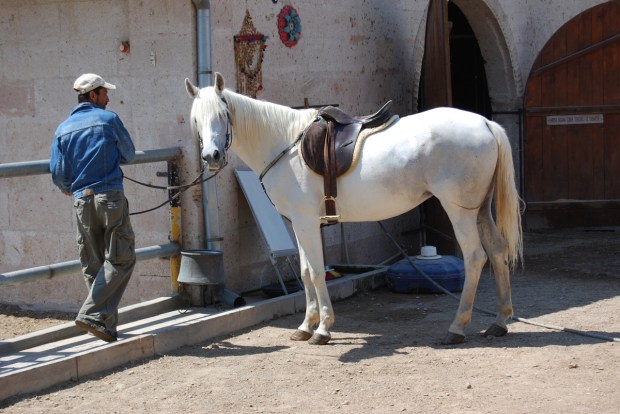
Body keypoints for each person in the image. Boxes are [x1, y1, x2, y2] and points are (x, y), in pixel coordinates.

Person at [50, 73, 136, 342]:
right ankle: (91, 314)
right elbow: (129, 154)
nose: (108, 97)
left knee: (94, 264)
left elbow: (58, 174)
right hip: (109, 196)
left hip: (81, 200)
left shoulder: (63, 129)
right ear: (92, 95)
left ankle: (105, 326)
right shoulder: (109, 120)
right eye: (104, 92)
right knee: (122, 258)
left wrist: (70, 187)